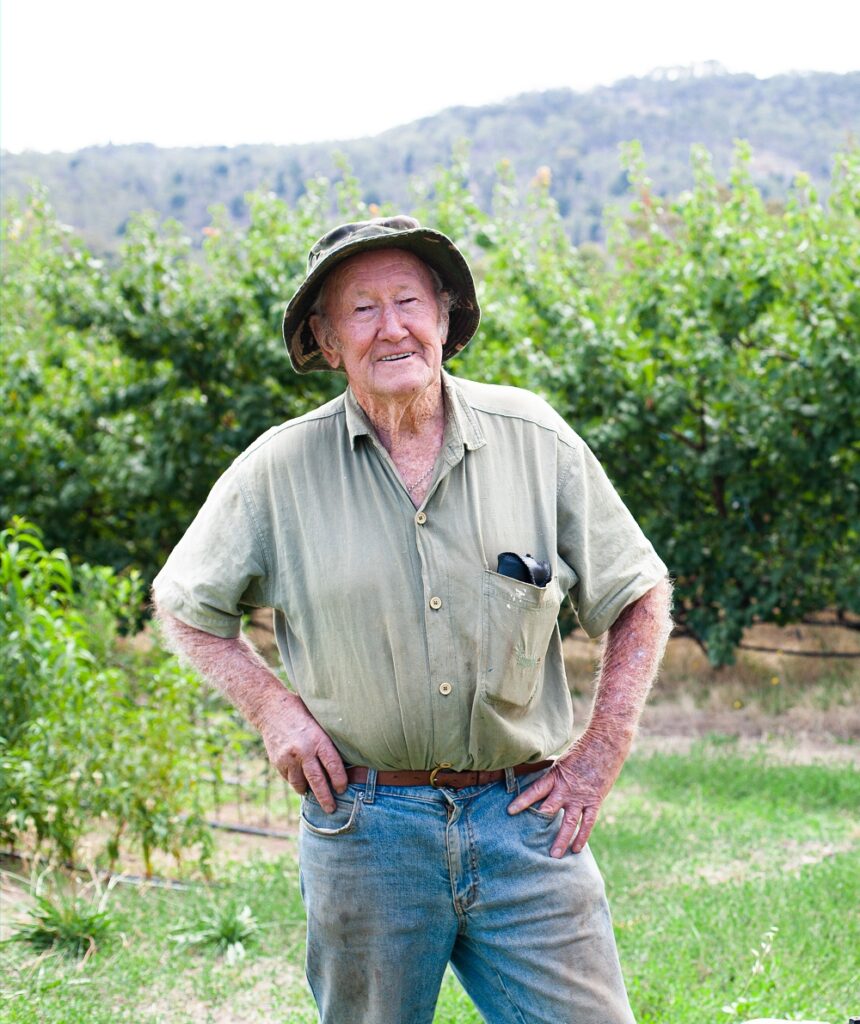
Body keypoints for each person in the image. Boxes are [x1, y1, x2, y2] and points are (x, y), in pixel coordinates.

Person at [153, 215, 672, 1024]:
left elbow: (639, 592)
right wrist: (274, 709)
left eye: (407, 301)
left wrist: (602, 749)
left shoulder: (535, 440)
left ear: (444, 317)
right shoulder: (275, 472)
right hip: (365, 833)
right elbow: (185, 608)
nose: (390, 326)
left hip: (525, 824)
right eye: (360, 310)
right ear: (326, 341)